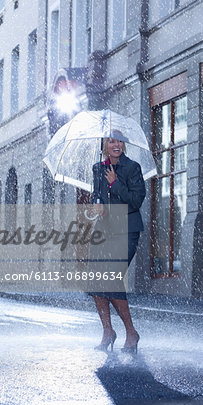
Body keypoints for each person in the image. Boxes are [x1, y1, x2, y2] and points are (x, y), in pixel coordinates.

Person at [90, 134, 146, 354]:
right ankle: (107, 331)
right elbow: (97, 195)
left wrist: (115, 183)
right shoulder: (98, 168)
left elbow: (136, 200)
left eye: (120, 141)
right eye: (112, 142)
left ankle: (131, 332)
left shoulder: (132, 168)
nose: (117, 145)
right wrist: (97, 205)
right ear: (105, 145)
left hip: (127, 230)